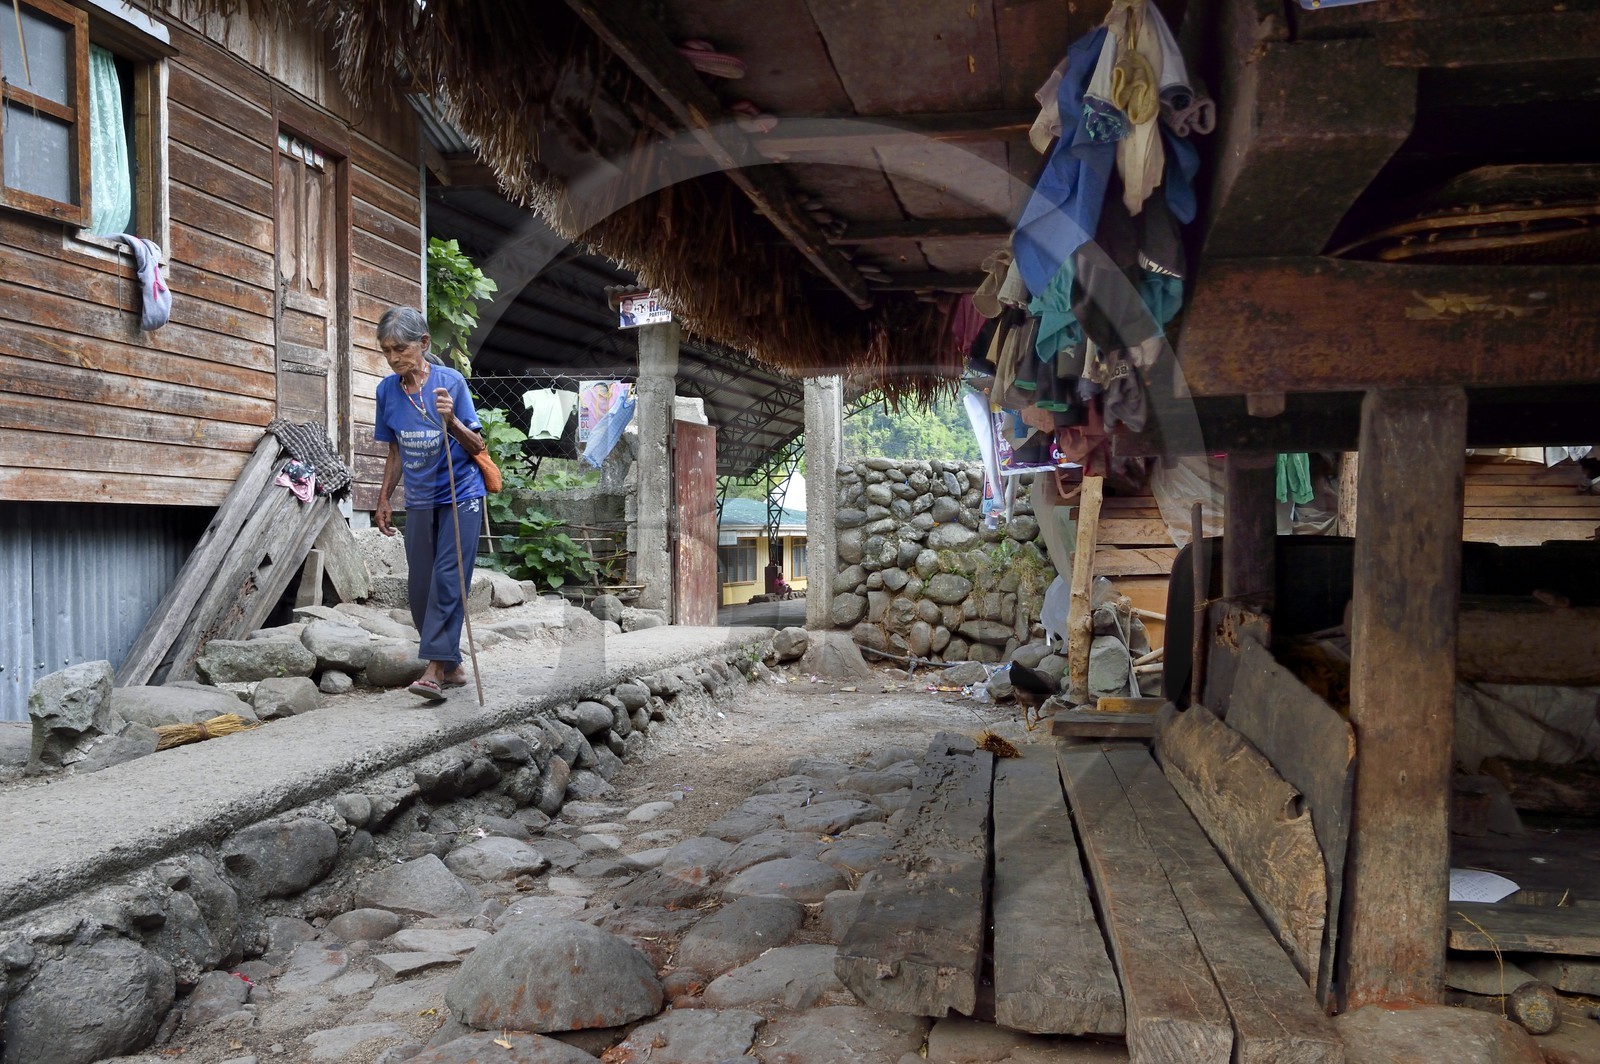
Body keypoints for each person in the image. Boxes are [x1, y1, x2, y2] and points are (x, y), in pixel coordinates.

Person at [372, 306, 487, 701]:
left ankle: (435, 670)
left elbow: (478, 445)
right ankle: (452, 665)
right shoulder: (387, 391)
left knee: (448, 579)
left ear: (423, 344)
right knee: (420, 587)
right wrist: (384, 497)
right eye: (386, 351)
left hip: (461, 495)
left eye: (399, 349)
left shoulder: (450, 383)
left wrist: (452, 420)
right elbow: (395, 451)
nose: (392, 358)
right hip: (419, 499)